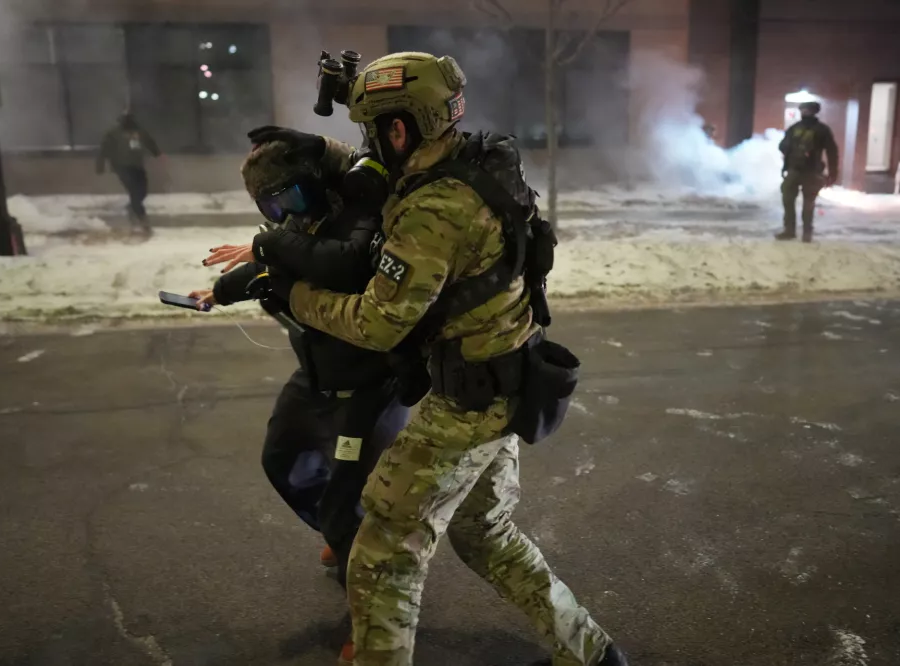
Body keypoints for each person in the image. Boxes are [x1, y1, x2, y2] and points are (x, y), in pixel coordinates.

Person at [247, 52, 628, 666]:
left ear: (400, 131)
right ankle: (593, 655)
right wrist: (326, 147)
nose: (367, 148)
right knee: (485, 535)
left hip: (466, 406)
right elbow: (387, 169)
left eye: (373, 133)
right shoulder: (471, 161)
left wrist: (292, 294)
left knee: (383, 549)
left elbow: (376, 323)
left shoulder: (433, 211)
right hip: (507, 382)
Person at [188, 139, 409, 588]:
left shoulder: (360, 217)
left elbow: (338, 266)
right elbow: (272, 268)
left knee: (349, 497)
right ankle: (342, 532)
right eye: (271, 206)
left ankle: (373, 596)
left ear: (314, 181)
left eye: (291, 196)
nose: (286, 212)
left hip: (369, 385)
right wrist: (219, 292)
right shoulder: (297, 227)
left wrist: (270, 244)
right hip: (316, 374)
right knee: (281, 460)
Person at [778, 101, 839, 243]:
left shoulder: (820, 130)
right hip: (796, 169)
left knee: (808, 203)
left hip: (811, 171)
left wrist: (833, 172)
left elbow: (832, 152)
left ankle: (805, 232)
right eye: (803, 110)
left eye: (807, 110)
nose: (805, 112)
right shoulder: (796, 128)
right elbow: (783, 146)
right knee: (788, 199)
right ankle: (791, 230)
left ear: (814, 111)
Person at [96, 112, 161, 234]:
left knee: (142, 191)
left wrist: (157, 153)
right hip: (122, 167)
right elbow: (104, 149)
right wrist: (100, 165)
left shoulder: (139, 132)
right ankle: (142, 220)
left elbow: (149, 142)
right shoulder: (114, 134)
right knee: (134, 192)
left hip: (137, 166)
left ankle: (132, 209)